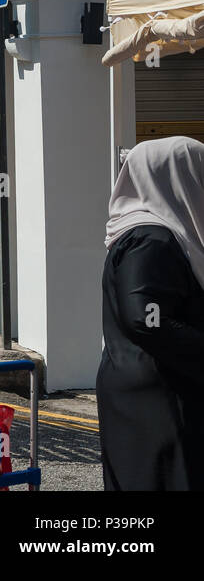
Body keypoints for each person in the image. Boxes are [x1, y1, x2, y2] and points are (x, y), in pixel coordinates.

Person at [98, 136, 204, 491]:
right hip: (158, 397)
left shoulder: (145, 233)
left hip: (143, 386)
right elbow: (146, 316)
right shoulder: (152, 238)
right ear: (178, 177)